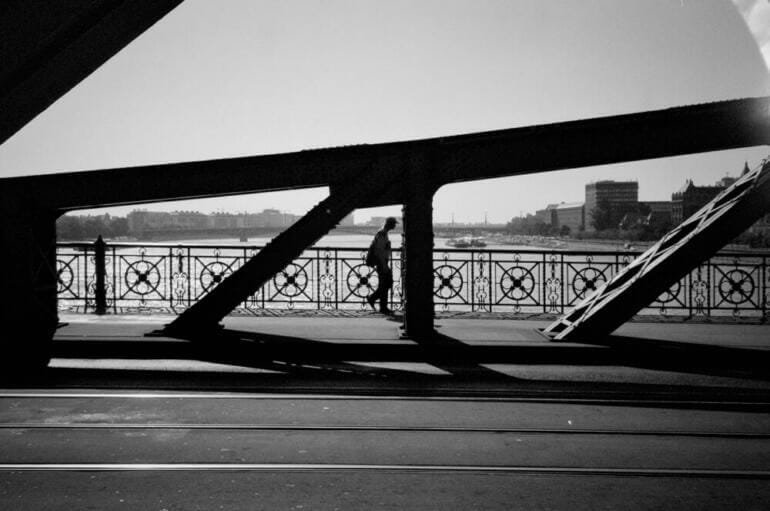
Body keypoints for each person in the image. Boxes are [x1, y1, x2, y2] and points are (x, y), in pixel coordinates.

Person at [367, 217, 397, 314]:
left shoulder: (384, 233)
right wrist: (384, 265)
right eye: (394, 224)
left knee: (386, 284)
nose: (395, 226)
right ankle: (380, 305)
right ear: (389, 224)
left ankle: (379, 303)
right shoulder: (382, 234)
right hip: (382, 263)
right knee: (385, 284)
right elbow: (379, 251)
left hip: (383, 262)